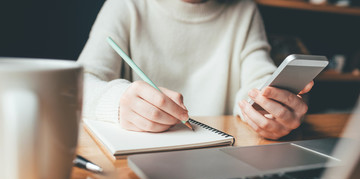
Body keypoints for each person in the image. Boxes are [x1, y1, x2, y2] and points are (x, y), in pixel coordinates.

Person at [78, 0, 313, 140]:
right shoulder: (125, 5)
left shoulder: (244, 10)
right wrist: (118, 101)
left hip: (222, 156)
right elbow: (78, 84)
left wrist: (269, 108)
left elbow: (258, 73)